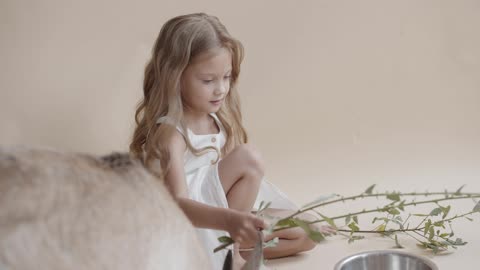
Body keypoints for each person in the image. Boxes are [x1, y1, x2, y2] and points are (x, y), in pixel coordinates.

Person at [129, 13, 334, 270]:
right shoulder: (172, 133)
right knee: (249, 158)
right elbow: (178, 206)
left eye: (226, 77)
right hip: (191, 225)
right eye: (208, 80)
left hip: (224, 221)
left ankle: (222, 257)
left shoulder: (217, 120)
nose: (221, 89)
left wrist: (249, 220)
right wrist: (231, 221)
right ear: (175, 76)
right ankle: (231, 256)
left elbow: (235, 190)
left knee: (307, 233)